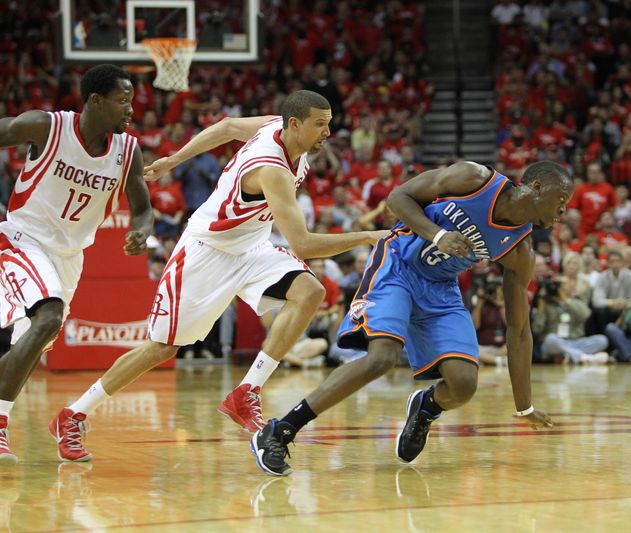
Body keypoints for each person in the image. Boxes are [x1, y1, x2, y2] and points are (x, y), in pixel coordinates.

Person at [50, 90, 386, 462]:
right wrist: (369, 236)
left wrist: (173, 160)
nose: (328, 132)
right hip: (206, 252)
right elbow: (303, 245)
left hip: (251, 247)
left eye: (329, 123)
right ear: (295, 124)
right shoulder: (271, 168)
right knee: (161, 348)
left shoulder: (277, 128)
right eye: (320, 124)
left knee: (309, 292)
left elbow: (226, 127)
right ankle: (74, 413)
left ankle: (246, 392)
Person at [251, 160, 574, 476]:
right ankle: (281, 430)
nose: (562, 212)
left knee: (463, 384)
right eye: (560, 200)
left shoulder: (520, 250)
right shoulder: (474, 179)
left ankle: (426, 407)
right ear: (536, 187)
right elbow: (398, 198)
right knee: (381, 358)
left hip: (441, 289)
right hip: (398, 265)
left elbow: (518, 332)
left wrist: (524, 406)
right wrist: (436, 235)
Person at [0, 65, 153, 465]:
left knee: (28, 347)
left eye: (132, 101)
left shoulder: (128, 150)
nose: (130, 109)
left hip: (70, 258)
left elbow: (142, 208)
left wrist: (141, 230)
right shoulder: (45, 128)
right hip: (22, 239)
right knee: (47, 319)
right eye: (123, 100)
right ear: (96, 101)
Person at [534, 277, 609, 364]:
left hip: (576, 341)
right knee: (550, 339)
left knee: (602, 340)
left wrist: (565, 300)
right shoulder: (546, 305)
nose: (561, 288)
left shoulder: (577, 302)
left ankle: (568, 356)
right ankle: (584, 357)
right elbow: (537, 329)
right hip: (557, 342)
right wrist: (541, 309)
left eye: (564, 285)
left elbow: (586, 315)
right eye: (559, 285)